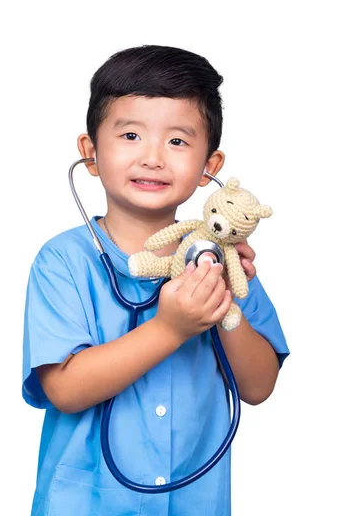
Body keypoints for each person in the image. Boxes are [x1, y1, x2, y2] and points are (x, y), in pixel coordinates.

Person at [22, 45, 289, 516]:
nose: (152, 158)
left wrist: (222, 303)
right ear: (89, 153)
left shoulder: (222, 262)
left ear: (211, 166)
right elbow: (64, 389)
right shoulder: (63, 261)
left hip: (194, 501)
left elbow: (259, 385)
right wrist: (171, 328)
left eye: (178, 142)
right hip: (85, 503)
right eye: (129, 135)